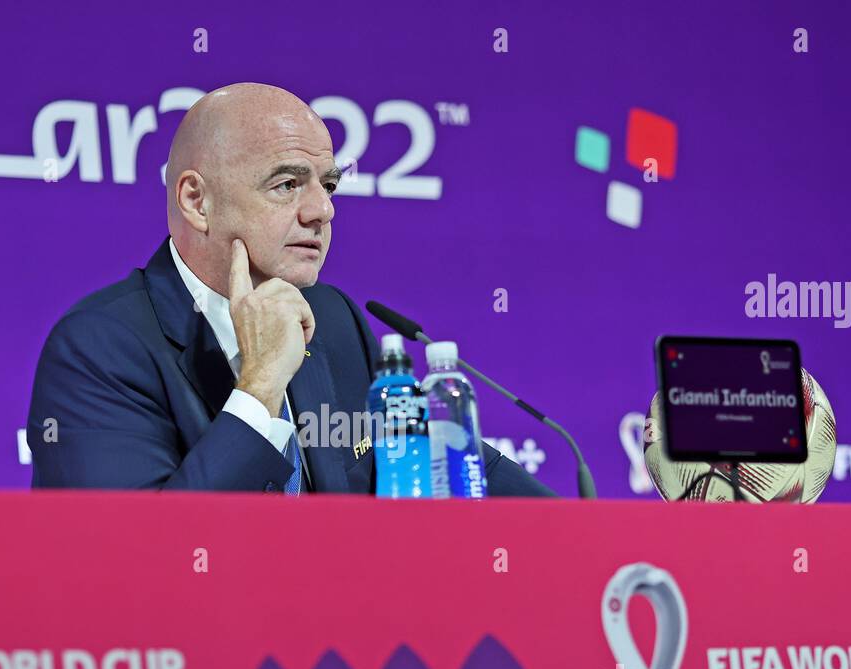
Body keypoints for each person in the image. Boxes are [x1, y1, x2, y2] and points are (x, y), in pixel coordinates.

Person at [27, 82, 553, 496]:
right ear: (196, 202)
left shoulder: (334, 319)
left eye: (327, 185)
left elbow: (436, 460)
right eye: (286, 184)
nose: (321, 210)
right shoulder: (97, 349)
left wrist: (595, 538)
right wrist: (258, 388)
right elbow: (148, 558)